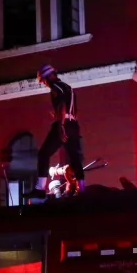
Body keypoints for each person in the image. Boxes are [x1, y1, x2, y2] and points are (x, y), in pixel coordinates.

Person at [31, 64, 84, 199]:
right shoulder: (69, 88)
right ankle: (82, 189)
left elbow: (62, 105)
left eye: (44, 80)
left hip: (64, 124)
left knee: (43, 154)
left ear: (49, 76)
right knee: (75, 157)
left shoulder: (55, 87)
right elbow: (74, 110)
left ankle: (40, 188)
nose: (44, 83)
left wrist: (61, 125)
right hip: (73, 124)